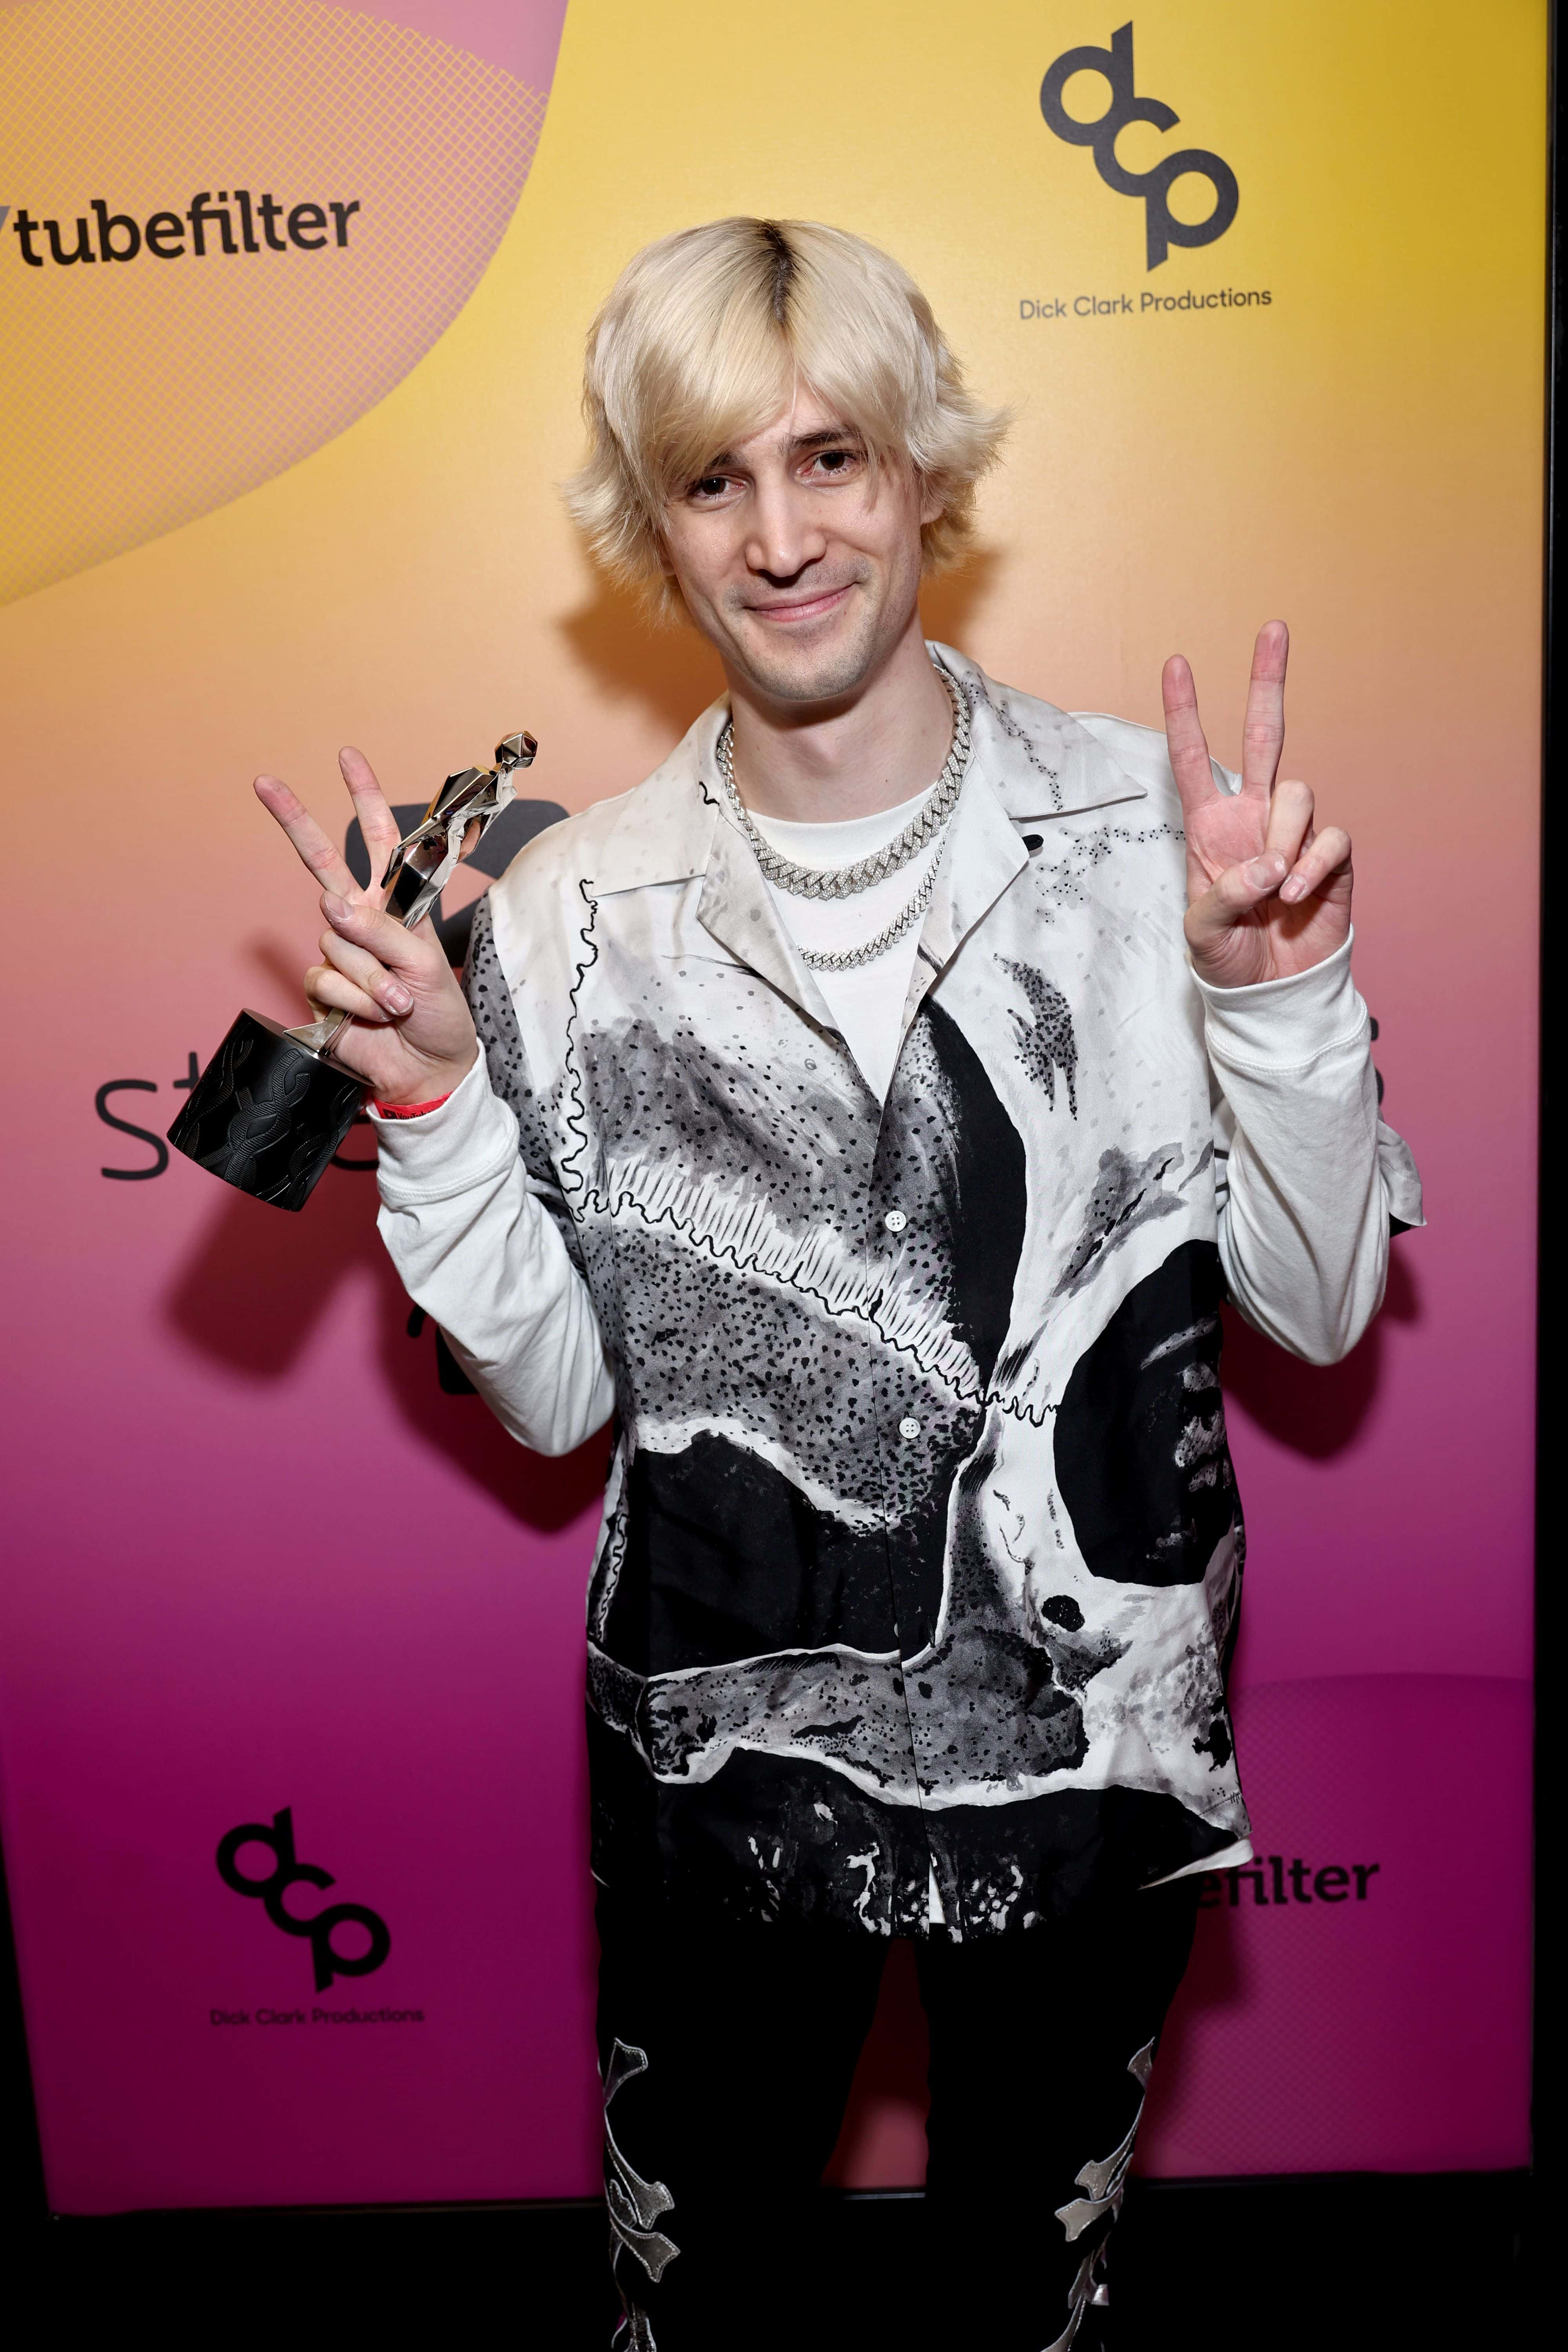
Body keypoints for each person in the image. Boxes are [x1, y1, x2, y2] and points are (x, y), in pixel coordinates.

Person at [254, 219, 1423, 2351]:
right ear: (657, 529)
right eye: (717, 481)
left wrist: (1282, 1000)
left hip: (1093, 1769)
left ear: (923, 478)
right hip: (716, 1785)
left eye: (833, 460)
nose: (784, 536)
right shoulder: (573, 913)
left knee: (1024, 2297)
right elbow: (547, 1404)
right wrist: (432, 1103)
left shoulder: (1165, 841)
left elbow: (1327, 1315)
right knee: (692, 2309)